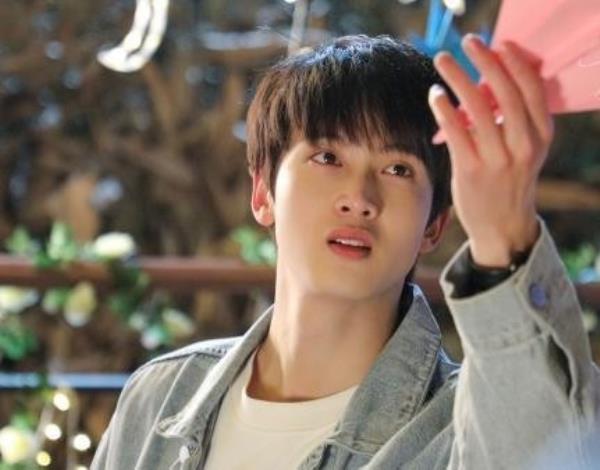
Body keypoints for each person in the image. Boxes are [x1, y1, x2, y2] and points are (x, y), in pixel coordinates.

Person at [91, 34, 600, 470]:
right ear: (263, 193)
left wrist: (503, 237)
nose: (359, 198)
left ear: (435, 224)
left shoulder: (467, 431)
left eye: (398, 169)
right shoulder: (159, 399)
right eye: (327, 157)